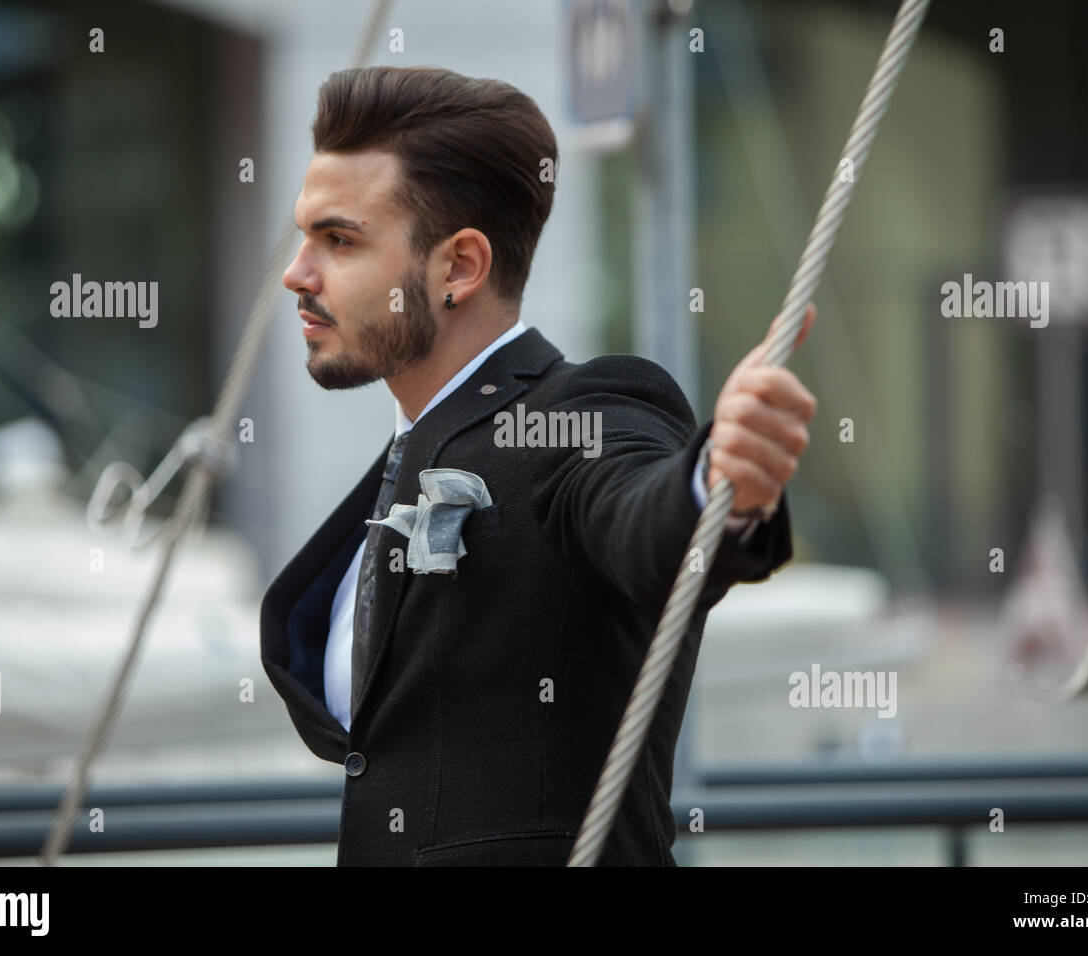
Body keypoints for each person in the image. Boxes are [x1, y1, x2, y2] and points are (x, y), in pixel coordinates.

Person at [259, 65, 817, 866]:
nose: (297, 273)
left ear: (459, 267)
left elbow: (640, 517)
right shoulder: (406, 451)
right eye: (304, 235)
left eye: (338, 240)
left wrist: (717, 484)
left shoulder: (576, 414)